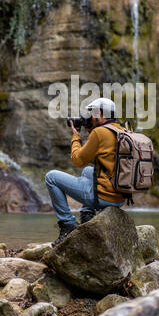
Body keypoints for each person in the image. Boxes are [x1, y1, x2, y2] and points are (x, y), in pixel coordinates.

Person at [45, 98, 125, 247]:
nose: (90, 116)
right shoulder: (120, 130)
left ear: (99, 113)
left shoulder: (100, 133)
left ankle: (68, 224)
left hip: (103, 197)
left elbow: (77, 160)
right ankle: (87, 217)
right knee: (88, 171)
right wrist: (91, 130)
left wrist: (76, 136)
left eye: (92, 113)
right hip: (119, 197)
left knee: (51, 177)